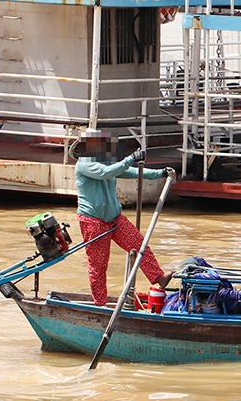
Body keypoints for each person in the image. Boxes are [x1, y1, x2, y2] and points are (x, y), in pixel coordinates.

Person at [73, 129, 173, 307]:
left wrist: (160, 174)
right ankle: (100, 304)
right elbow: (106, 173)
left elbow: (132, 172)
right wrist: (130, 159)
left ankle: (158, 277)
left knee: (139, 244)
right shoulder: (84, 164)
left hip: (114, 219)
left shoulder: (105, 162)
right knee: (98, 265)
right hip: (94, 222)